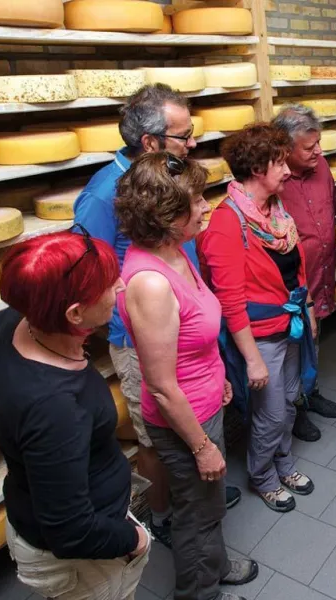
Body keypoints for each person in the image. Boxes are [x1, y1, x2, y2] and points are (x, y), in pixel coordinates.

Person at [73, 83, 241, 547]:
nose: (191, 145)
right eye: (183, 136)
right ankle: (164, 517)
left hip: (185, 322)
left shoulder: (173, 182)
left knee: (183, 429)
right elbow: (90, 272)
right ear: (149, 143)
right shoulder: (105, 193)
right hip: (143, 338)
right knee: (154, 437)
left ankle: (193, 498)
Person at [115, 153, 258, 600]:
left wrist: (218, 377)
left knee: (209, 506)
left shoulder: (177, 253)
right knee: (196, 516)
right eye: (195, 201)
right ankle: (199, 590)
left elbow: (191, 339)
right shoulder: (150, 283)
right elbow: (159, 384)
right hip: (184, 424)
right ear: (166, 216)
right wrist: (201, 447)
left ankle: (214, 567)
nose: (205, 208)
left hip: (203, 403)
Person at [0, 230, 149, 600]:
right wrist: (134, 539)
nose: (122, 286)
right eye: (110, 284)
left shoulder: (10, 322)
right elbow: (71, 531)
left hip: (37, 506)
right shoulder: (54, 407)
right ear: (75, 313)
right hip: (79, 561)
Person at [199, 124, 317, 514]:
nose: (287, 170)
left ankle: (283, 463)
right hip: (260, 336)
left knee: (288, 400)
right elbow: (230, 301)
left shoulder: (276, 212)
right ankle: (263, 475)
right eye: (279, 163)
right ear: (254, 170)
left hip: (291, 324)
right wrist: (251, 358)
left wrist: (310, 310)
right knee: (271, 413)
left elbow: (295, 270)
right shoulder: (226, 223)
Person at [272, 104, 336, 442]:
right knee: (292, 346)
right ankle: (295, 408)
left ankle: (310, 392)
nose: (318, 151)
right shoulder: (274, 179)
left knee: (313, 340)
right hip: (291, 283)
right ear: (285, 150)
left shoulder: (322, 165)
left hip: (322, 272)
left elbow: (331, 206)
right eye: (309, 147)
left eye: (318, 143)